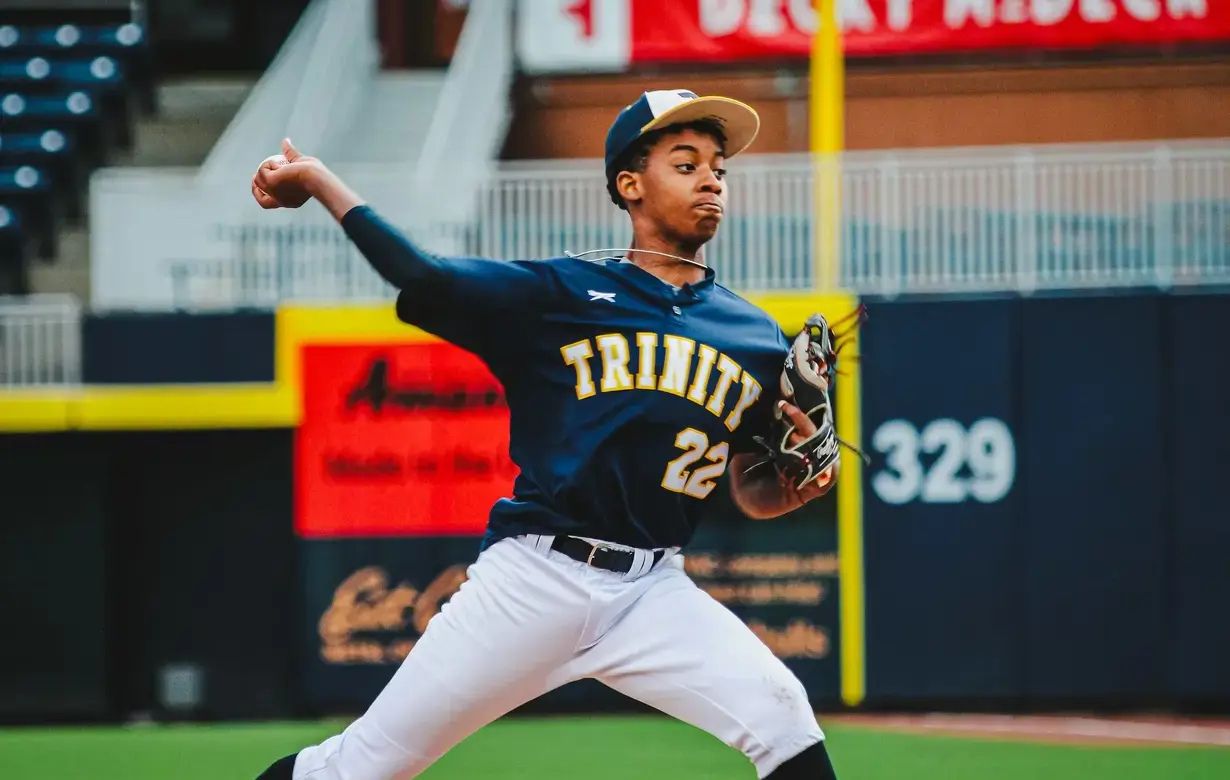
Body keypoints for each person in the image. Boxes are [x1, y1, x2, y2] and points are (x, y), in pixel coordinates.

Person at [251, 89, 842, 780]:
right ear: (630, 185)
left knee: (784, 719)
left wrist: (800, 483)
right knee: (360, 767)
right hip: (535, 581)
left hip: (651, 590)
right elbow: (421, 275)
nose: (712, 178)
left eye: (719, 167)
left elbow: (751, 489)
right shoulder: (559, 296)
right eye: (686, 164)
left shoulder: (756, 339)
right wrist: (320, 180)